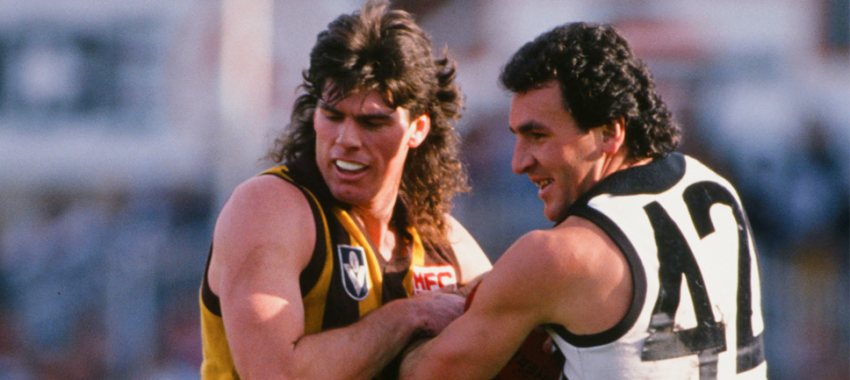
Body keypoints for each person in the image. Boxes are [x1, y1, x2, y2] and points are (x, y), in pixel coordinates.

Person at [400, 22, 767, 380]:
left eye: (538, 135)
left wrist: (403, 317)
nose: (518, 162)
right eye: (516, 136)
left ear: (610, 131)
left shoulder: (557, 256)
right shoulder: (713, 186)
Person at [198, 1, 492, 379]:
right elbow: (276, 374)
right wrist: (409, 315)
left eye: (372, 122)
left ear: (418, 129)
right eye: (333, 116)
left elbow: (520, 321)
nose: (346, 140)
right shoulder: (267, 208)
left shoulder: (440, 238)